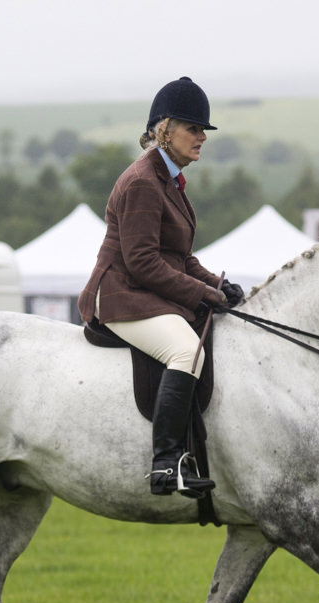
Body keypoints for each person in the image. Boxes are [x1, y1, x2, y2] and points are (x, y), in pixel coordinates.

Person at [78, 76, 244, 499]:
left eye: (203, 130)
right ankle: (167, 462)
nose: (202, 137)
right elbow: (143, 262)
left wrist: (219, 285)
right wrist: (202, 294)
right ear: (165, 129)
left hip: (143, 289)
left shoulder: (169, 181)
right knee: (185, 350)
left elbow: (180, 257)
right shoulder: (142, 183)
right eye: (194, 128)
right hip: (119, 293)